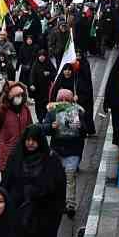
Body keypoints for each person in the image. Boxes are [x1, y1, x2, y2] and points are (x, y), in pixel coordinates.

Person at [1, 126, 67, 237]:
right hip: (19, 215)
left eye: (34, 140)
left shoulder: (51, 160)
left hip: (42, 217)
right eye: (28, 140)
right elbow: (6, 183)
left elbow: (58, 189)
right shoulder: (16, 158)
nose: (30, 144)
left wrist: (40, 193)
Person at [43, 88, 86, 219]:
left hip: (73, 150)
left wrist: (80, 126)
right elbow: (44, 129)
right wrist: (51, 126)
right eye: (61, 100)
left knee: (70, 176)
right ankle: (58, 202)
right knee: (57, 178)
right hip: (57, 150)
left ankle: (70, 204)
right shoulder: (52, 112)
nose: (63, 102)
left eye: (66, 100)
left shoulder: (78, 112)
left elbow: (85, 131)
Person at [0, 81, 34, 174]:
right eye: (17, 96)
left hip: (23, 151)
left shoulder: (25, 110)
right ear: (10, 97)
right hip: (7, 151)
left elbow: (30, 127)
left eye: (21, 96)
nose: (20, 98)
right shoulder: (3, 110)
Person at [102, 52, 119, 154]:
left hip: (118, 100)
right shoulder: (118, 68)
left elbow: (110, 82)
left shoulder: (117, 66)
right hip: (118, 100)